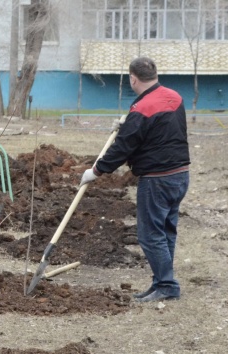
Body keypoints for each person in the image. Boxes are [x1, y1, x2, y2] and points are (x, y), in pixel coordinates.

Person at [81, 57, 190, 303]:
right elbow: (158, 132)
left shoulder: (142, 108)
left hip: (157, 179)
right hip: (180, 175)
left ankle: (166, 285)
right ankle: (161, 283)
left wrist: (96, 171)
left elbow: (123, 148)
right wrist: (128, 124)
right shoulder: (175, 97)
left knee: (151, 235)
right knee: (166, 231)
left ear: (133, 78)